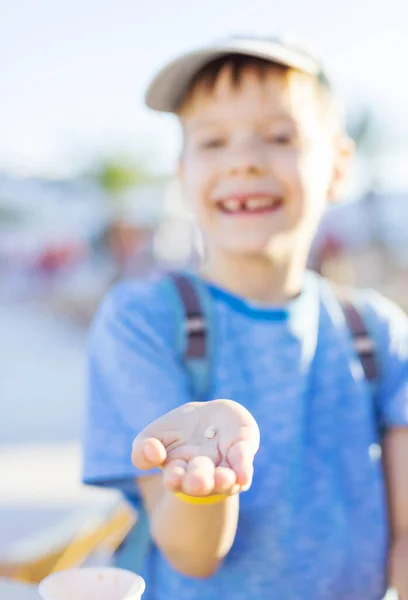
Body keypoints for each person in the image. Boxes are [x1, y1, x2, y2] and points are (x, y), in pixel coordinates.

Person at [82, 35, 408, 600]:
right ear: (183, 174)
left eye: (280, 137)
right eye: (212, 142)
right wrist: (203, 486)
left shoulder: (377, 333)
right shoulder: (143, 321)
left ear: (338, 164)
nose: (244, 160)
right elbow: (192, 555)